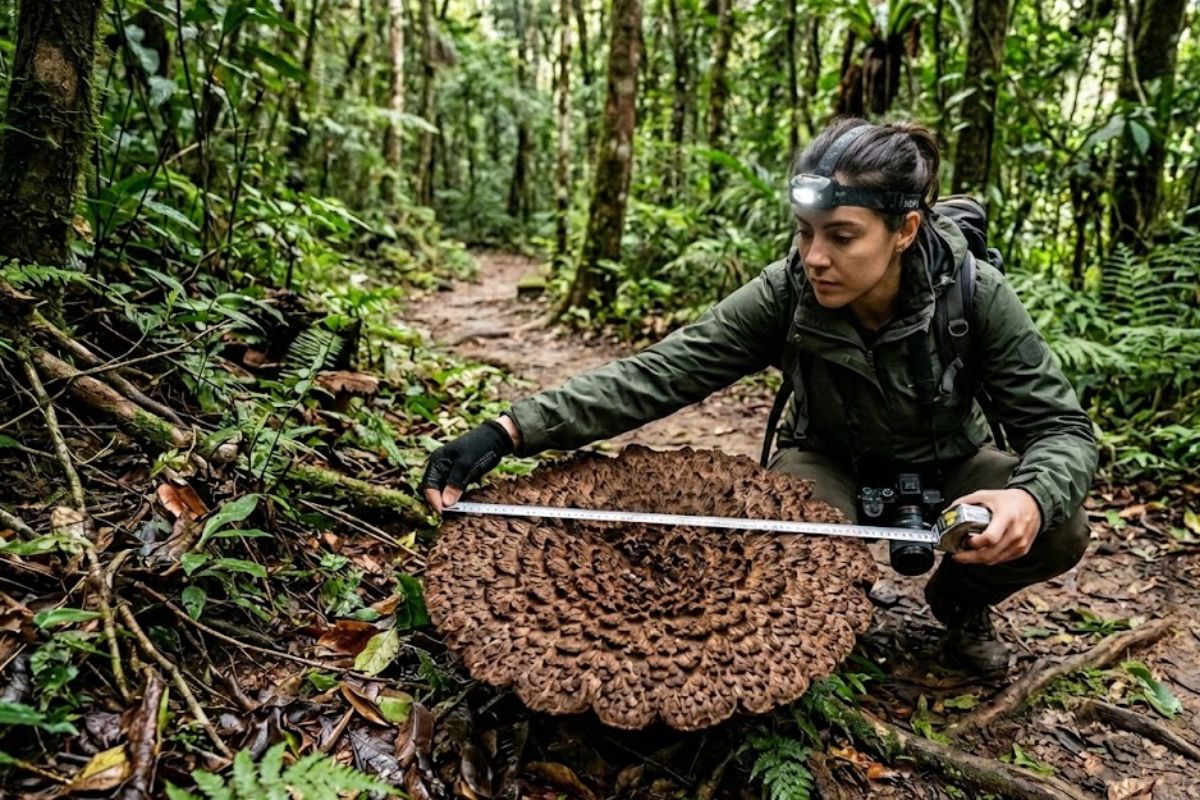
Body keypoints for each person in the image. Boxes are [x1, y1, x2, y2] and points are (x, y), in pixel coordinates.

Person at [420, 118, 1097, 676]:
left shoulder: (975, 295)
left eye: (841, 236)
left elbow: (1062, 428)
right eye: (805, 233)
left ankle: (962, 603)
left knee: (1061, 524)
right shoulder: (787, 293)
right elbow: (661, 373)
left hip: (952, 463)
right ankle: (831, 616)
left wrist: (1028, 500)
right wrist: (509, 431)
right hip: (828, 461)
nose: (814, 257)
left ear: (905, 232)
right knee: (784, 557)